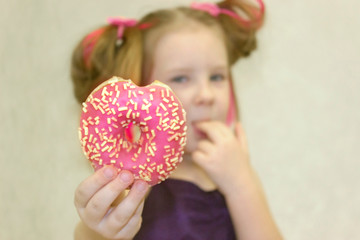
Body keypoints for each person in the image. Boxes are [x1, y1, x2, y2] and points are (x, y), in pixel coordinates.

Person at [71, 1, 283, 239]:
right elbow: (103, 227)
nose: (206, 95)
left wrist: (242, 184)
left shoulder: (237, 173)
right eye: (181, 78)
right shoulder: (133, 183)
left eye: (217, 76)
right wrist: (94, 230)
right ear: (141, 94)